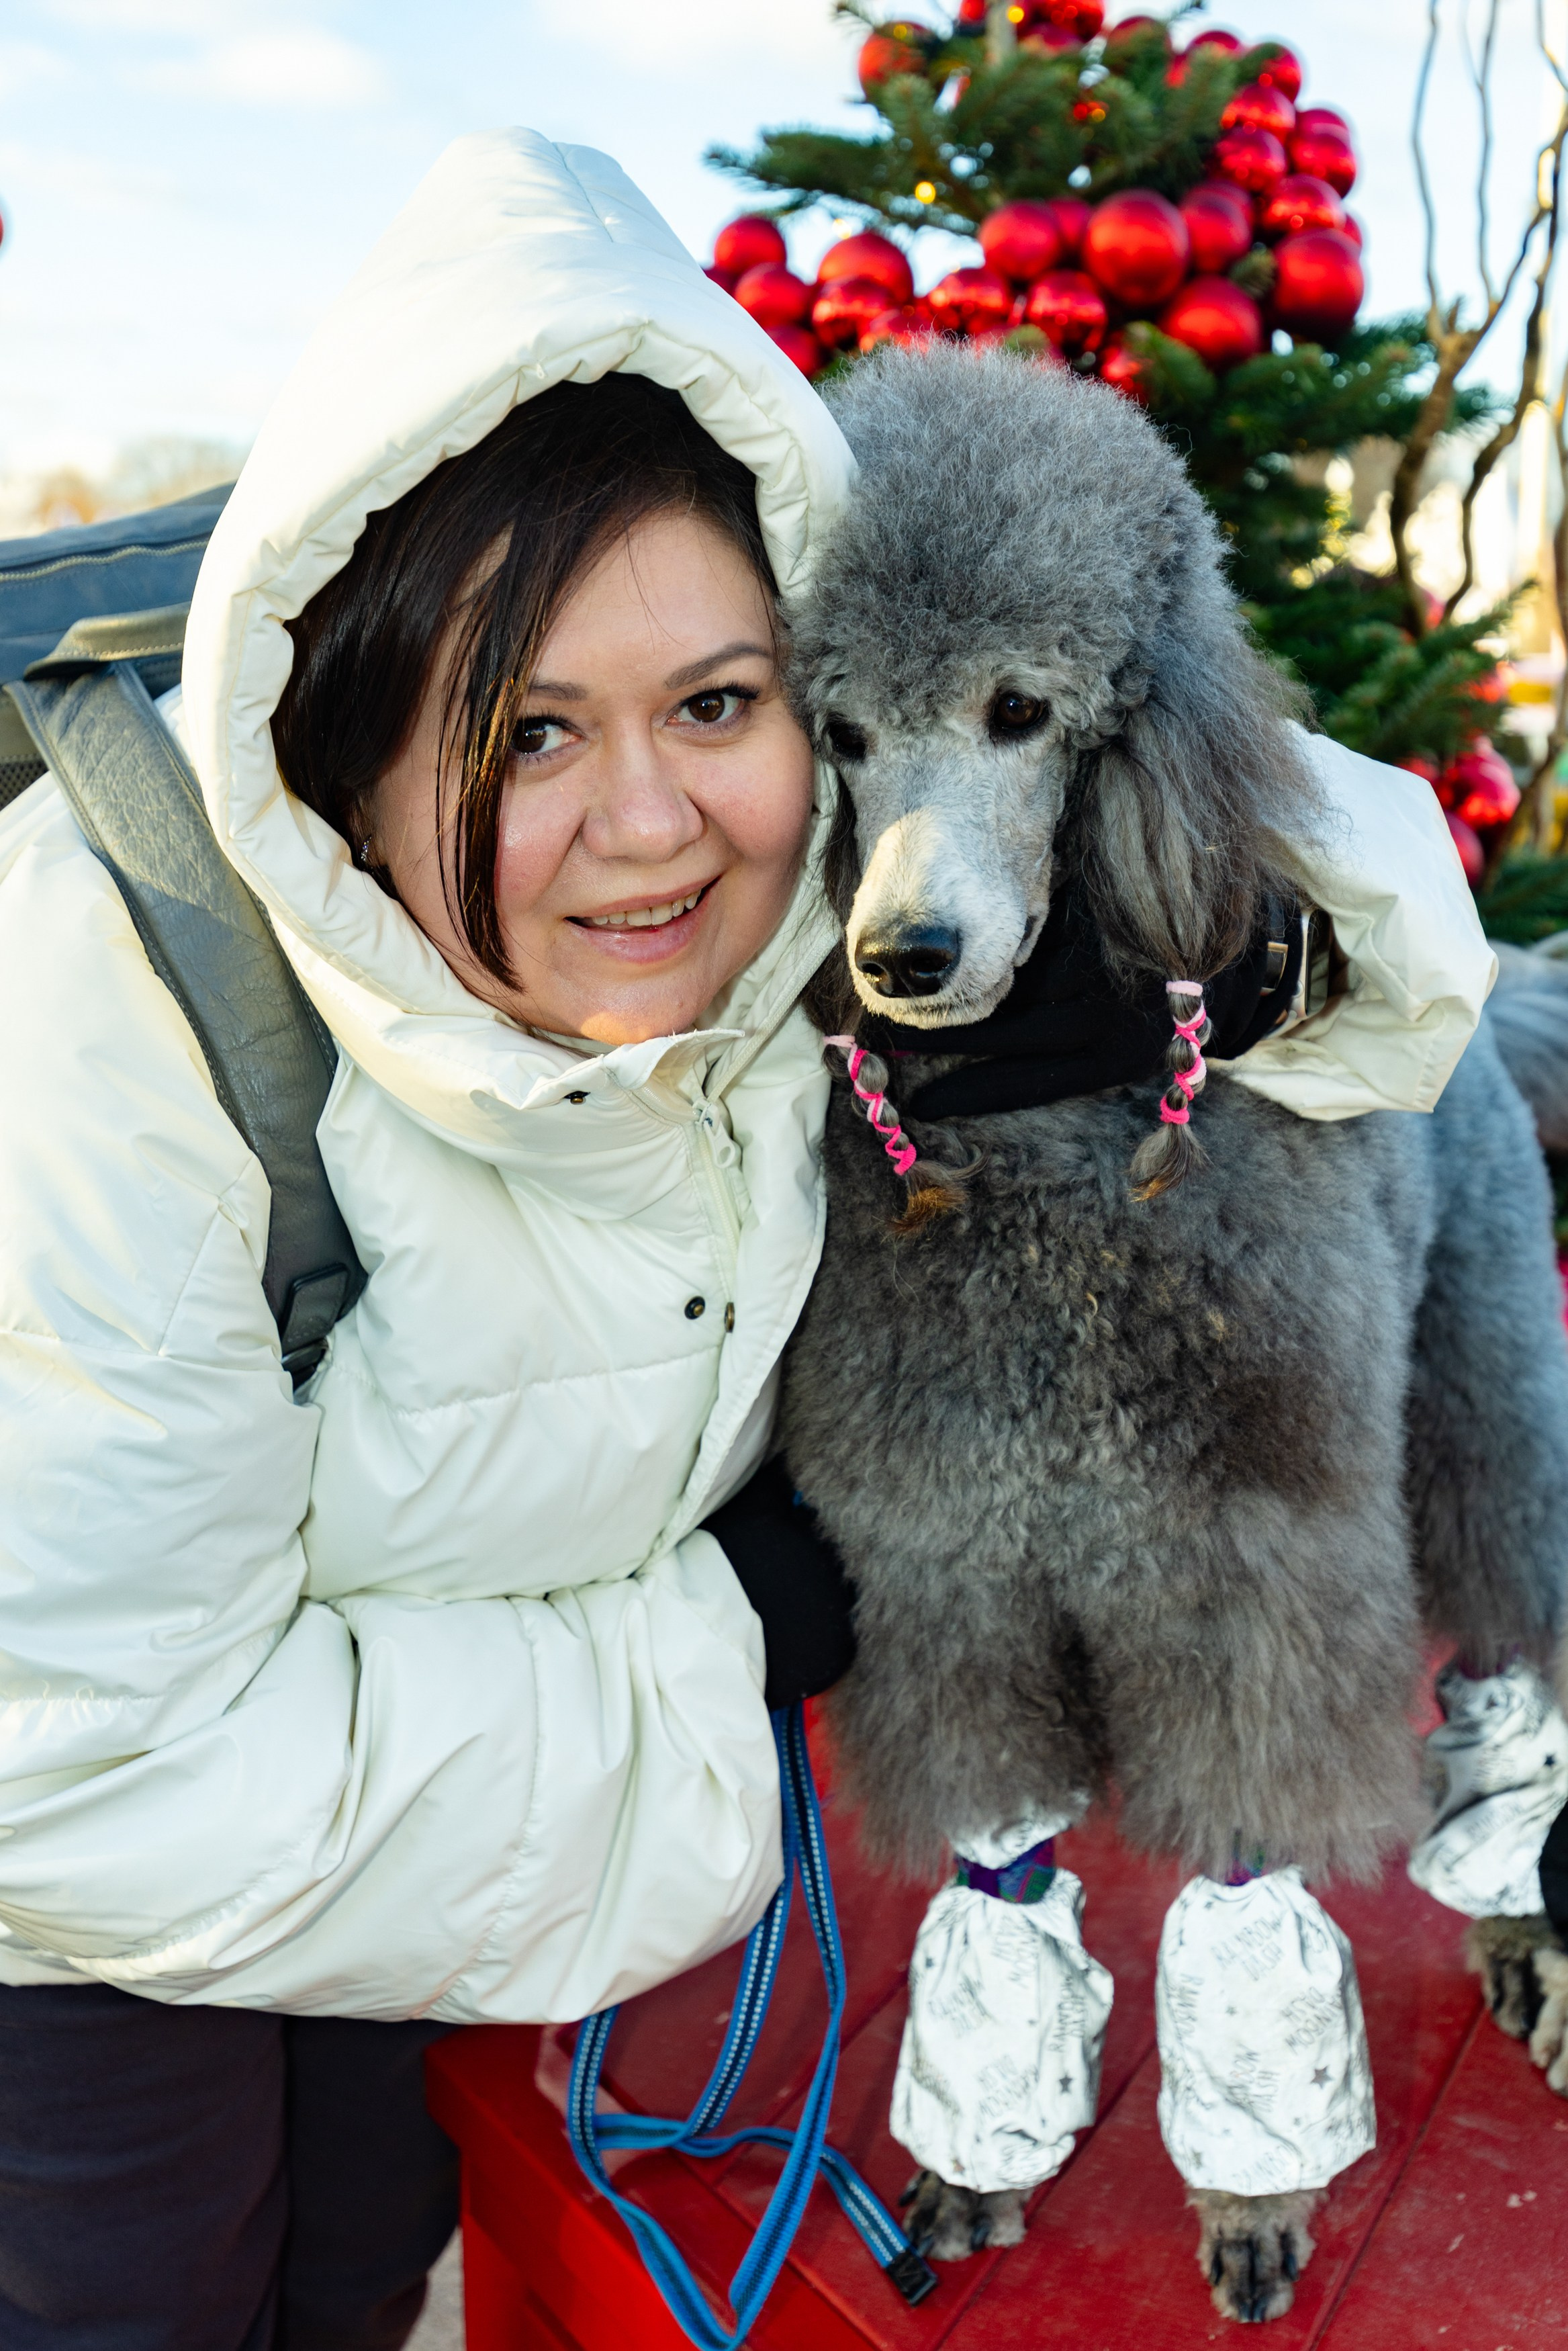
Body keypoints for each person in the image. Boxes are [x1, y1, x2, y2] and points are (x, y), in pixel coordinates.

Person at [0, 126, 1502, 2350]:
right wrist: (744, 1628)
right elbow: (85, 1773)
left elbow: (1356, 897)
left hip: (429, 1865)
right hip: (96, 1928)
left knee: (350, 2274)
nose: (644, 825)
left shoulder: (805, 926)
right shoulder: (99, 1039)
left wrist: (1236, 940)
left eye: (721, 703)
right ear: (343, 715)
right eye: (519, 730)